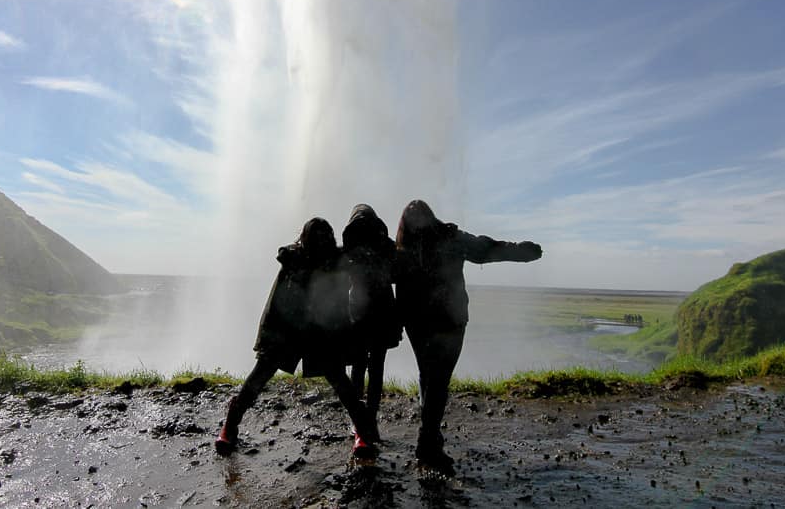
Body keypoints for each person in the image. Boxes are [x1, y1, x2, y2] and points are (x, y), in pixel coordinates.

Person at [395, 199, 542, 474]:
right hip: (449, 320)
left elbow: (366, 264)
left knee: (429, 376)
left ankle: (430, 435)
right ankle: (427, 444)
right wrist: (525, 251)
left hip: (417, 322)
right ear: (433, 217)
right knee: (438, 380)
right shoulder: (451, 238)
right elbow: (487, 249)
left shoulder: (401, 248)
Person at [215, 217, 377, 458]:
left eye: (326, 235)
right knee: (259, 376)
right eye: (317, 236)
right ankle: (230, 425)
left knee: (340, 382)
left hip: (320, 331)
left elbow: (368, 258)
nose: (322, 240)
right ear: (306, 239)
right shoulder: (293, 259)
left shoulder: (337, 261)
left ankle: (362, 433)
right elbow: (278, 303)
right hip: (288, 330)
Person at [339, 204, 403, 446]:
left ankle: (360, 424)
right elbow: (398, 275)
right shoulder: (387, 247)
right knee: (377, 368)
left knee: (359, 368)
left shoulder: (349, 250)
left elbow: (340, 281)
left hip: (358, 315)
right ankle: (369, 421)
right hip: (383, 314)